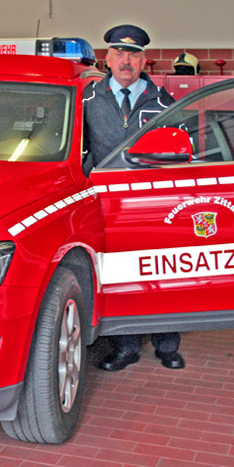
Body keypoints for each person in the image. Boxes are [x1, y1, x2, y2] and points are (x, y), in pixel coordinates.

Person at [83, 24, 185, 371]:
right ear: (107, 59)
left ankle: (167, 345)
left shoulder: (164, 103)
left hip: (154, 203)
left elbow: (181, 151)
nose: (127, 61)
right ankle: (125, 347)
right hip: (108, 204)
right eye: (120, 54)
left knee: (161, 272)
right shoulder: (88, 101)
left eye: (134, 54)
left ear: (145, 61)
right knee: (117, 276)